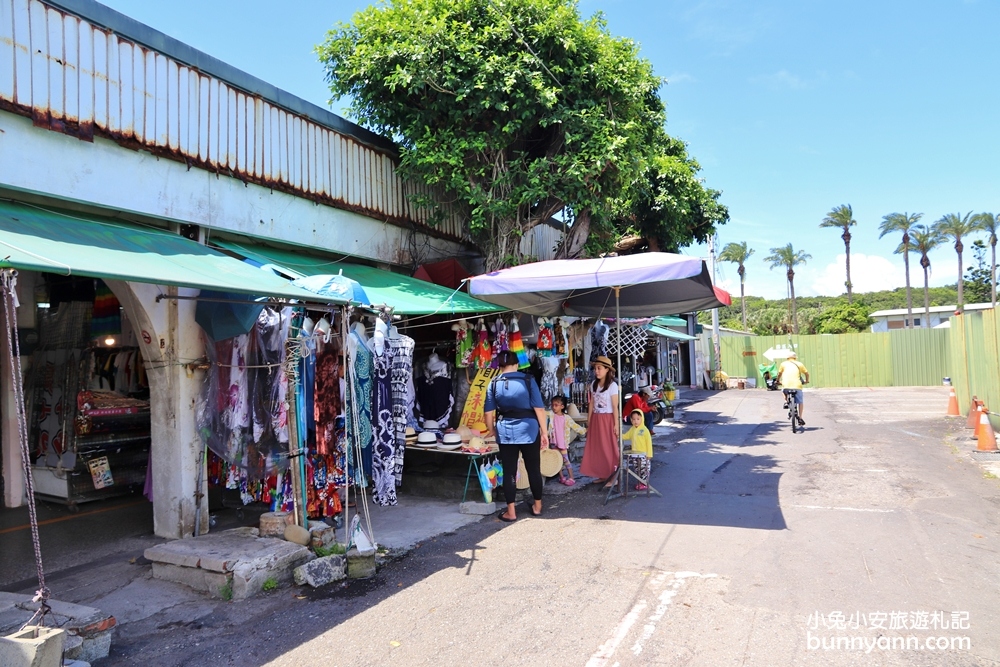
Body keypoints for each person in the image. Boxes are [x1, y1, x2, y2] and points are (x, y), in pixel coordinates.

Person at [484, 350, 549, 521]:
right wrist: (544, 432)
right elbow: (539, 409)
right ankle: (537, 506)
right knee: (533, 468)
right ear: (517, 364)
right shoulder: (528, 380)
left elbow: (488, 413)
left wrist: (491, 429)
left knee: (509, 472)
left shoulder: (493, 383)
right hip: (530, 429)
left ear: (500, 366)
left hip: (506, 431)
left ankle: (511, 512)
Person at [580, 355, 620, 489]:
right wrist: (589, 421)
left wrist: (616, 425)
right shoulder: (593, 384)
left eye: (599, 368)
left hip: (607, 418)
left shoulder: (612, 385)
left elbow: (615, 406)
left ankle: (614, 476)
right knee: (598, 448)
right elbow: (591, 404)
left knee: (609, 448)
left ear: (607, 370)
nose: (596, 371)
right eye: (595, 368)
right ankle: (603, 474)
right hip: (596, 419)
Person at [546, 394, 587, 486]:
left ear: (562, 406)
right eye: (552, 405)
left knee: (566, 460)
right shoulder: (551, 416)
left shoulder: (567, 418)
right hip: (553, 442)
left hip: (563, 443)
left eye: (556, 405)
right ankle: (562, 477)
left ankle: (571, 477)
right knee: (557, 461)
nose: (553, 407)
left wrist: (584, 430)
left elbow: (575, 426)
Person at [623, 408, 653, 490]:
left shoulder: (645, 430)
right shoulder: (632, 429)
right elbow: (626, 436)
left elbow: (649, 443)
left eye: (638, 419)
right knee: (637, 469)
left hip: (644, 454)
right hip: (634, 454)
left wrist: (649, 454)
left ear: (642, 419)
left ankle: (644, 483)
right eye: (633, 419)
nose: (635, 421)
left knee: (644, 468)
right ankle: (640, 482)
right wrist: (619, 435)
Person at [778, 351, 810, 425]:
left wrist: (777, 380)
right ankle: (801, 417)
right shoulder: (799, 364)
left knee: (783, 391)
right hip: (797, 386)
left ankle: (786, 401)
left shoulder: (783, 364)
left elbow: (779, 373)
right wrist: (807, 381)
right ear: (795, 357)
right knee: (800, 402)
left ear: (787, 357)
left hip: (786, 385)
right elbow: (806, 373)